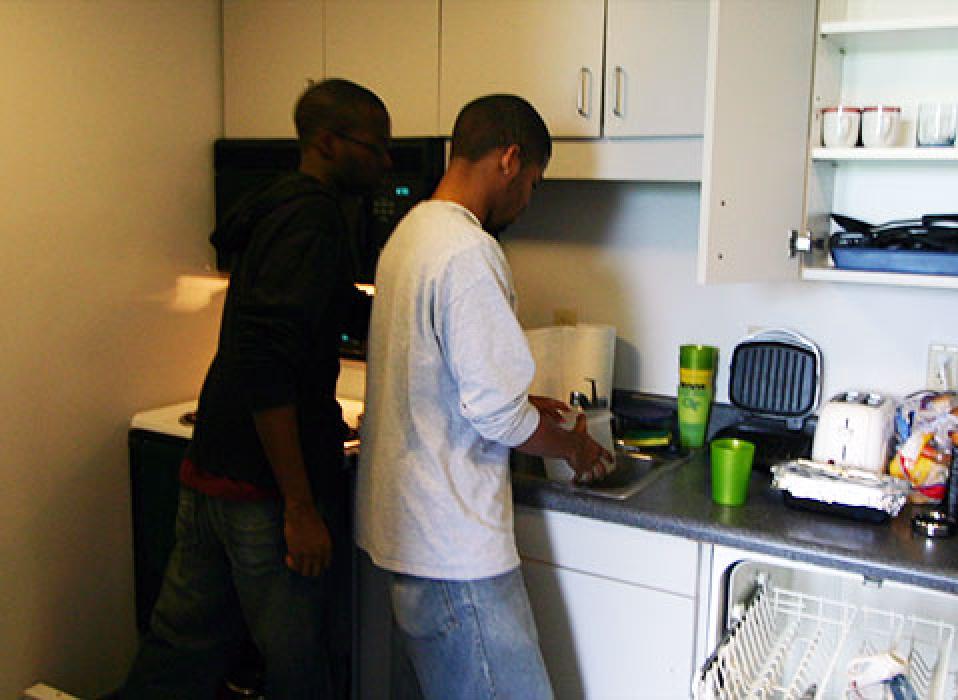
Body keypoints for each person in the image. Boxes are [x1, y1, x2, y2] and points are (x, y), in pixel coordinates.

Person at [119, 79, 392, 700]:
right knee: (300, 665)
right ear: (328, 142)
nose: (384, 164)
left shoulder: (280, 205)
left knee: (178, 651)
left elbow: (294, 312)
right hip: (266, 493)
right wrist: (299, 507)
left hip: (211, 468)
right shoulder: (315, 219)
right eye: (375, 148)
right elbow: (267, 362)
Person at [356, 94, 610, 699]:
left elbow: (442, 376)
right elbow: (496, 412)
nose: (526, 201)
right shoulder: (469, 251)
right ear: (510, 159)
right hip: (453, 549)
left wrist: (531, 408)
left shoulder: (410, 234)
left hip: (408, 539)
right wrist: (574, 447)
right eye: (533, 184)